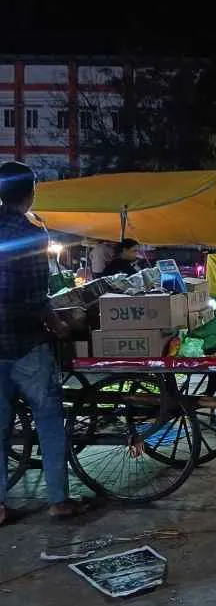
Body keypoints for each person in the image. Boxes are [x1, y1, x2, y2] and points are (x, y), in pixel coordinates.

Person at [0, 161, 87, 526]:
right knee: (49, 418)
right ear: (31, 191)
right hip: (25, 344)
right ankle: (58, 501)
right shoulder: (32, 234)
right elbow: (37, 296)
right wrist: (61, 326)